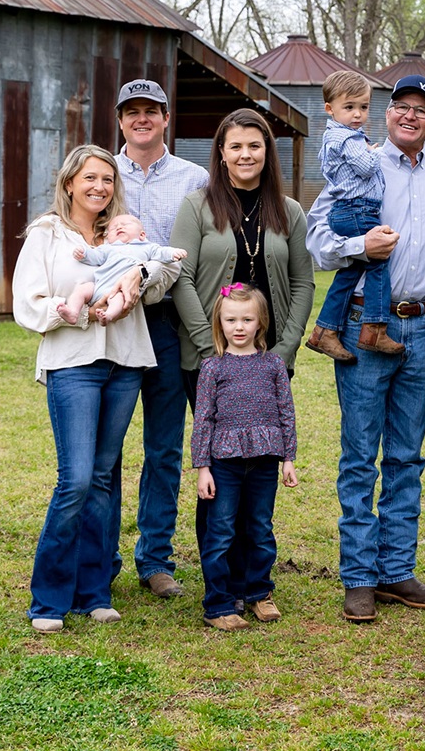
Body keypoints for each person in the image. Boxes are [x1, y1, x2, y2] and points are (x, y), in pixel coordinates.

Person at [306, 74, 425, 623]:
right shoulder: (359, 163)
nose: (409, 115)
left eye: (421, 109)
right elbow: (317, 240)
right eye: (400, 106)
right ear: (386, 115)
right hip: (363, 323)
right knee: (359, 454)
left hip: (421, 325)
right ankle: (359, 577)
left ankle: (396, 571)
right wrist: (359, 245)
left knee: (407, 456)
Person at [11, 144, 177, 633]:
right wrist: (82, 311)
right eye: (89, 178)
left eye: (107, 179)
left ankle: (94, 592)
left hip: (125, 362)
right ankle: (49, 598)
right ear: (69, 184)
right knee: (76, 479)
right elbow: (27, 304)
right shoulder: (48, 233)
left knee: (104, 477)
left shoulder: (125, 232)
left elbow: (166, 273)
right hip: (73, 364)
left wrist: (138, 274)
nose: (100, 187)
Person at [170, 107, 316, 608]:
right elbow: (181, 279)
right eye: (236, 146)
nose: (246, 154)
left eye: (255, 145)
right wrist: (208, 344)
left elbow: (302, 282)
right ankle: (223, 584)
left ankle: (253, 581)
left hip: (267, 360)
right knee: (219, 464)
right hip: (208, 362)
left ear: (267, 152)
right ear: (221, 152)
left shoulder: (289, 211)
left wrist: (285, 348)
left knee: (257, 468)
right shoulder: (197, 207)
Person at [112, 78, 209, 600]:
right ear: (120, 119)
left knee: (164, 446)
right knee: (105, 448)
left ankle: (155, 560)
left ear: (166, 118)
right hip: (114, 323)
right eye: (133, 111)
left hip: (169, 323)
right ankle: (100, 558)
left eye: (152, 110)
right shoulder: (102, 173)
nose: (142, 118)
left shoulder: (194, 178)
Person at [191, 283, 300, 631]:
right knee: (221, 532)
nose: (239, 327)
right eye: (231, 320)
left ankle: (258, 592)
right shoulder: (212, 367)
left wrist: (288, 458)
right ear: (219, 323)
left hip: (265, 461)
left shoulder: (273, 365)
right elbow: (203, 419)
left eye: (247, 319)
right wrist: (203, 467)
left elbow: (286, 413)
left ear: (260, 322)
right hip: (224, 463)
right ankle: (219, 603)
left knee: (260, 529)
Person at [305, 70, 401, 362]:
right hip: (358, 209)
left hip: (349, 210)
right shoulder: (347, 138)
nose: (357, 114)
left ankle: (325, 330)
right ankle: (374, 328)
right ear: (330, 108)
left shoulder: (339, 135)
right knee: (379, 261)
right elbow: (366, 168)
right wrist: (374, 152)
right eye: (349, 107)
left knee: (350, 272)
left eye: (363, 107)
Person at [58, 214, 186, 325]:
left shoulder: (147, 247)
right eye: (113, 228)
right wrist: (84, 253)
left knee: (119, 298)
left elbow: (161, 252)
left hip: (119, 288)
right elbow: (95, 256)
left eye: (125, 225)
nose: (119, 227)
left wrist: (173, 253)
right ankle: (73, 312)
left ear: (142, 235)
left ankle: (108, 316)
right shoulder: (108, 248)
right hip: (98, 285)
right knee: (81, 289)